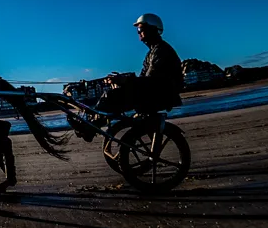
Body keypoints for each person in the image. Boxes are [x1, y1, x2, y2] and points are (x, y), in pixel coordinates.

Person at [71, 13, 184, 142]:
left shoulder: (161, 51)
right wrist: (121, 80)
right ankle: (91, 125)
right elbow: (143, 78)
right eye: (138, 30)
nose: (139, 33)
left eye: (141, 29)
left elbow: (151, 81)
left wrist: (124, 80)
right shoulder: (152, 52)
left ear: (153, 29)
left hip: (162, 95)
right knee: (113, 94)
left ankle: (90, 127)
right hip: (156, 92)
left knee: (111, 96)